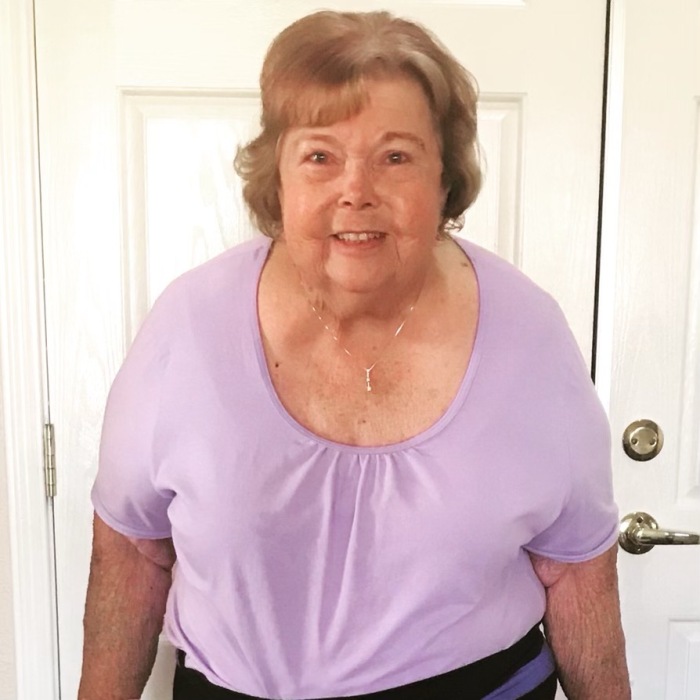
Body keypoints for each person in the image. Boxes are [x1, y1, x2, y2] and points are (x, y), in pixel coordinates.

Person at [79, 10, 631, 700]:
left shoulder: (530, 334)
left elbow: (577, 569)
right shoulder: (188, 327)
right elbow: (132, 552)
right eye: (320, 156)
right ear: (277, 176)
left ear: (444, 179)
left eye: (395, 157)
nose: (357, 191)